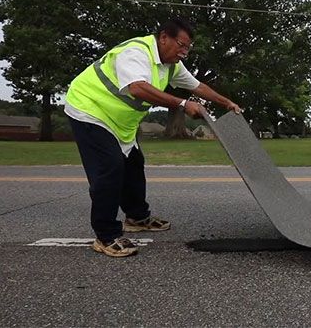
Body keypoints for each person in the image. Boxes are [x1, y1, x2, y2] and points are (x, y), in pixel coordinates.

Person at [65, 18, 241, 257]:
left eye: (188, 48)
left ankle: (137, 217)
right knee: (110, 168)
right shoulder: (136, 53)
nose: (184, 52)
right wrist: (181, 103)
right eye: (181, 44)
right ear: (164, 37)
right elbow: (137, 88)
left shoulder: (171, 65)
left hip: (120, 122)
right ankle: (106, 235)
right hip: (89, 110)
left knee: (134, 164)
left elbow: (197, 86)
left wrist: (226, 102)